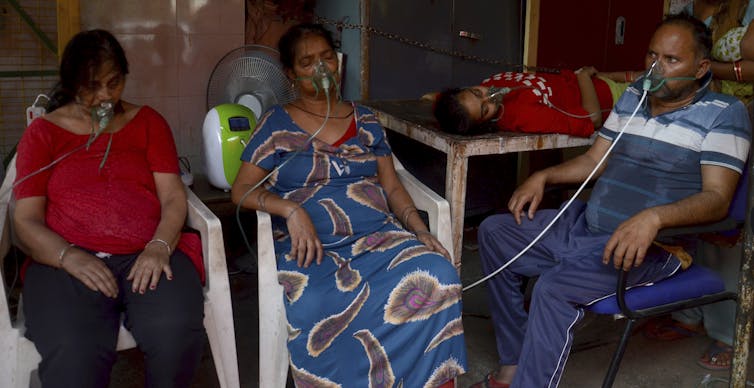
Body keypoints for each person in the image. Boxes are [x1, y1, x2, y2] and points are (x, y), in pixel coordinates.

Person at [472, 14, 751, 388]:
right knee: (496, 231)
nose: (656, 68)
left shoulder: (723, 114)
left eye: (671, 60)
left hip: (648, 248)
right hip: (586, 225)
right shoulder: (635, 96)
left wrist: (652, 218)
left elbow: (718, 200)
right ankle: (515, 359)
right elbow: (594, 161)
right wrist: (544, 175)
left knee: (552, 287)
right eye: (652, 56)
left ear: (701, 69)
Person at [231, 23, 467, 387]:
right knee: (316, 304)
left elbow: (392, 186)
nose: (321, 69)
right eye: (308, 62)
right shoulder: (275, 124)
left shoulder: (366, 120)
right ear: (290, 74)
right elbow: (241, 190)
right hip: (311, 248)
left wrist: (420, 231)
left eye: (327, 57)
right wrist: (290, 210)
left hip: (377, 237)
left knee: (439, 273)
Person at [12, 30, 205, 387]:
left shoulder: (148, 123)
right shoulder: (43, 134)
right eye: (91, 86)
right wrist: (68, 256)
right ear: (71, 85)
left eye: (113, 83)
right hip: (66, 261)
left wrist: (160, 245)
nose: (104, 96)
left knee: (175, 329)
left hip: (146, 252)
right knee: (72, 350)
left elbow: (173, 197)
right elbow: (25, 220)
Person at [642, 0, 754, 371]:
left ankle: (726, 331)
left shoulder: (747, 8)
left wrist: (704, 71)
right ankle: (688, 314)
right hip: (696, 117)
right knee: (690, 215)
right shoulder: (692, 8)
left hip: (741, 120)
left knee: (727, 227)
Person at [431, 67, 635, 136]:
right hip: (620, 101)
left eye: (477, 92)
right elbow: (593, 119)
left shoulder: (491, 82)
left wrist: (621, 75)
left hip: (606, 81)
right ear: (484, 123)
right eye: (485, 109)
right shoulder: (523, 116)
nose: (489, 96)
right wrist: (583, 77)